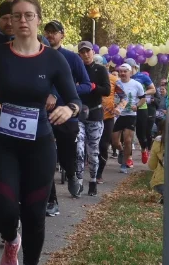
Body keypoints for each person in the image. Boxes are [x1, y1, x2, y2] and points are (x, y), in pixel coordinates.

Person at [0, 0, 80, 265]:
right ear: (9, 20)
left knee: (34, 212)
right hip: (2, 142)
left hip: (39, 144)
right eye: (16, 16)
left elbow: (74, 99)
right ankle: (10, 238)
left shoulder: (53, 59)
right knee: (2, 208)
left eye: (28, 16)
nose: (22, 21)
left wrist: (67, 109)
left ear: (38, 19)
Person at [43, 20, 91, 212]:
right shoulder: (38, 56)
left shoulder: (72, 58)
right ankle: (51, 201)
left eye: (54, 32)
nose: (50, 35)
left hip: (66, 114)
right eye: (47, 31)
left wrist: (67, 92)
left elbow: (86, 84)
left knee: (65, 154)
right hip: (42, 115)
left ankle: (71, 173)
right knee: (46, 157)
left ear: (62, 35)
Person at [76, 42, 111, 196]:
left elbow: (107, 90)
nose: (85, 54)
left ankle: (92, 181)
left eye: (88, 51)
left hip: (95, 115)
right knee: (78, 149)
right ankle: (78, 181)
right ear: (79, 54)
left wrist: (93, 86)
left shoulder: (101, 69)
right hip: (79, 114)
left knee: (93, 151)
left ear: (92, 52)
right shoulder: (76, 69)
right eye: (82, 52)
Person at [111, 64, 146, 173]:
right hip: (118, 115)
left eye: (125, 71)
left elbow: (143, 98)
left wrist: (137, 106)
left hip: (130, 115)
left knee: (127, 140)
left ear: (130, 73)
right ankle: (121, 151)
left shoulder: (136, 84)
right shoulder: (116, 83)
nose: (122, 73)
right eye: (120, 71)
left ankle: (124, 164)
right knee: (114, 141)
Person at [126, 58, 156, 164]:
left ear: (134, 67)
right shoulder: (124, 78)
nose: (127, 70)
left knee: (140, 133)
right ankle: (129, 158)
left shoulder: (142, 77)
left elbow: (153, 89)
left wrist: (142, 93)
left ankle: (144, 149)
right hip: (128, 109)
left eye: (129, 68)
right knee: (128, 134)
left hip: (141, 108)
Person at [97, 57, 119, 184]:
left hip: (107, 117)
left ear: (106, 66)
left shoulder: (114, 79)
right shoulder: (87, 76)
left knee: (103, 146)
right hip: (91, 116)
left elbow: (124, 96)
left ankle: (99, 173)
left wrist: (119, 108)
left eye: (101, 66)